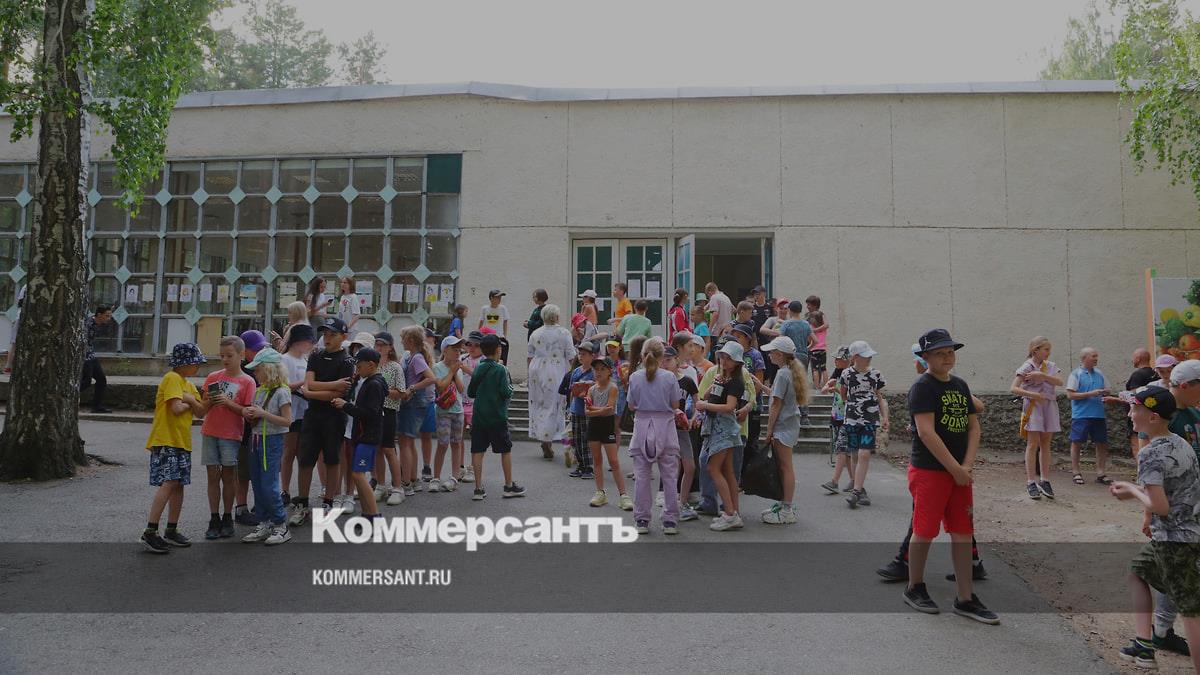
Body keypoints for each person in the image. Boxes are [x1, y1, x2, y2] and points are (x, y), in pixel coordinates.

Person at [902, 329, 998, 625]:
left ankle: (965, 598)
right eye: (940, 353)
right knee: (924, 530)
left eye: (950, 352)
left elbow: (974, 427)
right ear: (925, 357)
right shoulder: (922, 387)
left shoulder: (960, 385)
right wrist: (955, 469)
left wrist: (966, 465)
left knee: (962, 531)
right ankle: (915, 586)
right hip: (930, 471)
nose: (947, 357)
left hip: (960, 473)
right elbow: (926, 432)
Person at [1110, 385, 1200, 670]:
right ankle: (1144, 645)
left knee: (1191, 612)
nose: (1130, 414)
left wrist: (1132, 491)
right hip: (1186, 532)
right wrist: (1136, 490)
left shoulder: (1149, 454)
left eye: (1135, 409)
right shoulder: (1181, 443)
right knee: (1138, 572)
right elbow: (1172, 492)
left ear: (1152, 417)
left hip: (1175, 540)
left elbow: (1160, 507)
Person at [139, 343, 207, 553]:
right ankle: (150, 530)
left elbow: (201, 412)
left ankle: (171, 528)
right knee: (169, 483)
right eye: (195, 363)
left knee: (178, 484)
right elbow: (176, 408)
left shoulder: (189, 386)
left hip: (181, 441)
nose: (198, 367)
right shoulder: (172, 378)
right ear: (184, 363)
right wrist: (190, 401)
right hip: (166, 439)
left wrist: (199, 400)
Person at [289, 317, 354, 527]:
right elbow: (309, 383)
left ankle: (329, 502)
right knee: (305, 460)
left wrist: (312, 391)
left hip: (334, 416)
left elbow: (337, 395)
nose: (327, 338)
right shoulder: (316, 355)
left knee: (332, 459)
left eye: (332, 334)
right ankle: (302, 504)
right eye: (325, 334)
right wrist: (331, 385)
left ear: (344, 337)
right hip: (312, 415)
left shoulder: (347, 361)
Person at [199, 335, 257, 540]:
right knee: (212, 475)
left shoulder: (248, 381)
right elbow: (202, 409)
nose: (224, 359)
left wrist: (227, 402)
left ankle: (227, 517)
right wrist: (209, 401)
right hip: (210, 431)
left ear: (241, 355)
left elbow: (248, 413)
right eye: (221, 355)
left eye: (229, 355)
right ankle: (214, 517)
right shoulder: (213, 377)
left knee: (229, 476)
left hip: (231, 434)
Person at [627, 338, 683, 534]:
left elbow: (631, 405)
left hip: (642, 426)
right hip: (665, 427)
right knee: (669, 476)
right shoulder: (669, 377)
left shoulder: (635, 377)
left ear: (643, 356)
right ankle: (670, 520)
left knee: (642, 476)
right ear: (662, 357)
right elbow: (675, 404)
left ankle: (642, 519)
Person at [239, 348, 293, 546]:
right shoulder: (260, 390)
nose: (255, 373)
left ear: (269, 369)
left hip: (272, 441)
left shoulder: (282, 391)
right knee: (258, 483)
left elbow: (287, 421)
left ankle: (280, 524)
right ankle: (264, 522)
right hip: (256, 439)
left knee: (269, 485)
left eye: (258, 369)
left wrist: (262, 414)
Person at [331, 347, 387, 523]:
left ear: (371, 365)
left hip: (368, 436)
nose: (357, 369)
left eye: (360, 366)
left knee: (358, 475)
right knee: (358, 475)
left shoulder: (374, 384)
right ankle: (368, 515)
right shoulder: (368, 382)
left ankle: (374, 516)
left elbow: (369, 413)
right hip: (363, 435)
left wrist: (345, 406)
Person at [467, 333, 525, 500]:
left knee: (478, 451)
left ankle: (478, 488)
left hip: (479, 417)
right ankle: (508, 485)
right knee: (505, 450)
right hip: (497, 417)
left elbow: (471, 392)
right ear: (498, 349)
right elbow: (506, 391)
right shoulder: (501, 369)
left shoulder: (478, 368)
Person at [698, 340, 747, 531]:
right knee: (727, 471)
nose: (724, 361)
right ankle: (733, 511)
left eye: (728, 358)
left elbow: (729, 407)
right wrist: (714, 385)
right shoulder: (723, 378)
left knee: (713, 468)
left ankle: (730, 513)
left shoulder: (736, 381)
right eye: (722, 357)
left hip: (723, 428)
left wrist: (705, 405)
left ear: (737, 362)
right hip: (720, 427)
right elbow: (707, 395)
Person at [760, 336, 809, 524]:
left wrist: (768, 431)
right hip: (789, 424)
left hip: (783, 426)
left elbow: (776, 404)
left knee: (785, 467)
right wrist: (761, 386)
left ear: (780, 354)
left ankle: (787, 509)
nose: (769, 355)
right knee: (784, 466)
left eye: (772, 352)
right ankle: (784, 505)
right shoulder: (789, 371)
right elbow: (777, 397)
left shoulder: (782, 374)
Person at [1011, 336, 1063, 500]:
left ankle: (1045, 480)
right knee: (1033, 444)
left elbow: (1060, 382)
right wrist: (1033, 394)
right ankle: (1030, 481)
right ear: (1036, 350)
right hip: (1034, 406)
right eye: (1046, 349)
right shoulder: (1027, 366)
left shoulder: (1051, 366)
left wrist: (1043, 376)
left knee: (1046, 443)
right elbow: (1014, 388)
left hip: (1049, 406)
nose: (1049, 353)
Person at [840, 340, 887, 509]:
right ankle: (859, 488)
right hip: (852, 419)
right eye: (866, 356)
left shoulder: (876, 374)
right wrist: (854, 405)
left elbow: (879, 397)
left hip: (870, 419)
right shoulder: (846, 374)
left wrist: (885, 417)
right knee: (854, 455)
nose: (869, 359)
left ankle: (856, 492)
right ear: (855, 357)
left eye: (870, 356)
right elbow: (843, 395)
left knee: (864, 454)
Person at [526, 304, 575, 460]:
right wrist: (575, 373)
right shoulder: (564, 333)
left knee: (539, 404)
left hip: (536, 368)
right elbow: (571, 355)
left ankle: (544, 438)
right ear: (557, 317)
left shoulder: (536, 333)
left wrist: (529, 374)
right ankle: (547, 439)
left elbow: (529, 355)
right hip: (556, 369)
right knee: (553, 404)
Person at [585, 357, 631, 510]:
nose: (598, 372)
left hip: (607, 426)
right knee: (597, 460)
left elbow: (610, 409)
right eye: (596, 369)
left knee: (614, 461)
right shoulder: (591, 389)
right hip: (593, 427)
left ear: (610, 371)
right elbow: (587, 412)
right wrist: (600, 410)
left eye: (602, 369)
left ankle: (623, 496)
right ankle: (600, 493)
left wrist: (595, 409)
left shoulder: (613, 388)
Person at [280, 324, 315, 513]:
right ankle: (284, 489)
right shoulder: (284, 359)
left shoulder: (305, 359)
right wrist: (306, 382)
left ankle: (302, 492)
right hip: (290, 411)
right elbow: (283, 386)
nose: (310, 345)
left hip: (305, 411)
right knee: (289, 451)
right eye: (308, 341)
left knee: (303, 453)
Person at [398, 325, 437, 495]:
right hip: (414, 403)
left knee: (405, 442)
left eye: (403, 338)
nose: (401, 341)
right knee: (408, 441)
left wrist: (411, 388)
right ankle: (413, 478)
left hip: (413, 403)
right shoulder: (413, 357)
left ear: (411, 341)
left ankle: (406, 482)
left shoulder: (416, 358)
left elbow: (431, 378)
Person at [663, 344, 699, 522]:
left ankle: (682, 502)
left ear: (677, 360)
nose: (665, 363)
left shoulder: (686, 381)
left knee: (690, 467)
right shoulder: (660, 381)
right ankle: (671, 502)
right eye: (662, 360)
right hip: (666, 428)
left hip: (682, 428)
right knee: (672, 467)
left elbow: (698, 402)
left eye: (668, 360)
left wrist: (693, 417)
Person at [1066, 347, 1112, 486]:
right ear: (1084, 358)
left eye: (1096, 356)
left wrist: (1105, 392)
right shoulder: (1076, 374)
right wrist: (1090, 394)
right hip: (1081, 415)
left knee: (1101, 443)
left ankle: (1101, 473)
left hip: (1098, 414)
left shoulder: (1100, 373)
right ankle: (1076, 472)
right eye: (1093, 356)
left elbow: (1108, 389)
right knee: (1077, 442)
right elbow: (1070, 395)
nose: (1096, 358)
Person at [372, 332, 407, 506]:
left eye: (383, 345)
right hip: (372, 411)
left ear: (390, 347)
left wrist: (383, 390)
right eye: (377, 344)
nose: (379, 348)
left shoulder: (395, 367)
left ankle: (398, 488)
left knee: (388, 449)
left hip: (389, 411)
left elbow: (401, 392)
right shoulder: (371, 365)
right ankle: (380, 485)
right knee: (377, 449)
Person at [430, 335, 467, 492]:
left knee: (456, 443)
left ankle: (454, 477)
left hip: (458, 410)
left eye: (459, 350)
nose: (458, 353)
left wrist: (456, 372)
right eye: (454, 349)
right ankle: (436, 477)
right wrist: (451, 371)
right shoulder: (437, 367)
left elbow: (461, 389)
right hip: (443, 411)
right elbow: (441, 387)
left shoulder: (458, 368)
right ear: (445, 350)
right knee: (443, 444)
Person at [821, 346, 855, 493]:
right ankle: (854, 481)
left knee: (841, 448)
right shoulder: (838, 373)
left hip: (848, 416)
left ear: (847, 360)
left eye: (838, 358)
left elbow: (848, 398)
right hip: (837, 414)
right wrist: (830, 386)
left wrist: (836, 389)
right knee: (845, 451)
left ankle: (835, 482)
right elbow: (824, 390)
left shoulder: (852, 375)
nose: (835, 361)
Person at [780, 300, 816, 425]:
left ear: (790, 310)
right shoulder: (806, 324)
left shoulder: (786, 324)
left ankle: (789, 412)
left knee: (789, 384)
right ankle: (805, 415)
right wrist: (807, 348)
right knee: (802, 384)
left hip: (791, 356)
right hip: (803, 356)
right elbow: (815, 341)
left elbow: (781, 340)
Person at [567, 341, 597, 479]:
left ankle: (589, 467)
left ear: (592, 356)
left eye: (584, 354)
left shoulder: (595, 373)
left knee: (587, 439)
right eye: (580, 354)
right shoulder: (576, 371)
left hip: (588, 410)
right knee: (576, 439)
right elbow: (571, 391)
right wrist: (569, 408)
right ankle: (580, 465)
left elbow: (599, 390)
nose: (581, 356)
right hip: (576, 408)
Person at [458, 331, 483, 483]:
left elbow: (482, 378)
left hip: (476, 403)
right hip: (460, 401)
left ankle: (473, 468)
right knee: (458, 437)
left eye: (476, 345)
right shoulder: (462, 358)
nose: (472, 347)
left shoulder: (484, 360)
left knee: (476, 437)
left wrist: (466, 369)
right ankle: (459, 467)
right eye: (469, 344)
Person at [80, 304, 113, 413]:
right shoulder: (89, 324)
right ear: (99, 315)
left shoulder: (98, 324)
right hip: (85, 356)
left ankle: (97, 406)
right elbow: (82, 341)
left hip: (91, 355)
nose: (109, 318)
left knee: (101, 379)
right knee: (86, 381)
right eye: (107, 316)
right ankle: (66, 397)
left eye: (110, 316)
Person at [478, 289, 511, 365]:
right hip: (488, 338)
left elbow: (505, 322)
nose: (499, 299)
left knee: (501, 360)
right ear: (491, 298)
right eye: (497, 297)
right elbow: (481, 322)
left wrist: (505, 335)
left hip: (499, 337)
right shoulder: (484, 309)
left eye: (500, 297)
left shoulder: (503, 308)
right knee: (488, 359)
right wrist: (479, 334)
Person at [808, 310, 828, 389]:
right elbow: (826, 325)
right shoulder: (823, 328)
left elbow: (809, 339)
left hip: (814, 350)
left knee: (815, 369)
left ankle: (817, 386)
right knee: (824, 369)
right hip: (822, 349)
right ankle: (826, 386)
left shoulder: (811, 328)